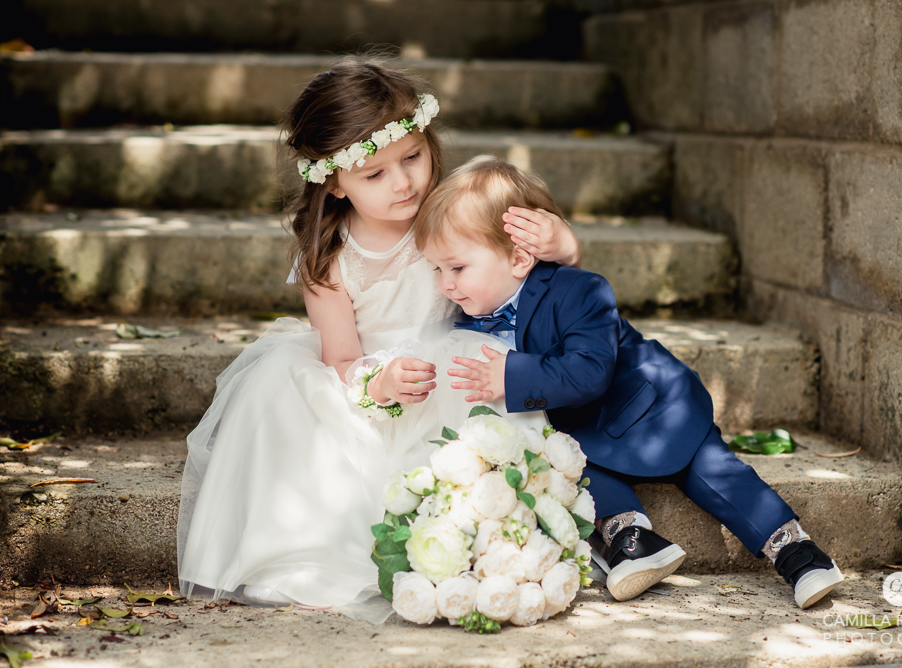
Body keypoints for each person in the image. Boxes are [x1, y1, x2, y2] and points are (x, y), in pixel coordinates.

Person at [176, 60, 581, 617]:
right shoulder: (330, 259)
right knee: (281, 387)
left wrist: (563, 248)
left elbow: (532, 278)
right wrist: (381, 383)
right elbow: (341, 359)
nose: (405, 182)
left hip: (459, 370)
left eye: (412, 157)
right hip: (378, 393)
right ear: (334, 182)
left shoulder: (459, 210)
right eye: (374, 174)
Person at [414, 155, 845, 610]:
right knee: (567, 465)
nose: (445, 285)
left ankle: (797, 552)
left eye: (457, 268)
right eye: (436, 270)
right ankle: (634, 540)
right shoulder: (466, 318)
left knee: (715, 473)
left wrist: (511, 375)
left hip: (648, 408)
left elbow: (590, 370)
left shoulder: (580, 290)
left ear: (520, 257)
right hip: (578, 430)